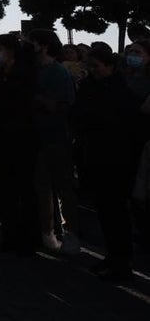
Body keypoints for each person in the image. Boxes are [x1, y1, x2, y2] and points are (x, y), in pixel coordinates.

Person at [72, 43, 143, 279]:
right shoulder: (89, 87)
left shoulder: (121, 90)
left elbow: (125, 123)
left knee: (117, 213)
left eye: (97, 66)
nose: (93, 70)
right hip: (95, 154)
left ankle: (122, 261)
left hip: (118, 157)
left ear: (110, 66)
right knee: (105, 211)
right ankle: (112, 256)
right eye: (90, 66)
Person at [0, 33, 40, 256]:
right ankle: (9, 235)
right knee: (5, 189)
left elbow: (23, 104)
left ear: (11, 51)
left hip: (22, 138)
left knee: (24, 187)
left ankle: (28, 238)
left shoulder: (27, 74)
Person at [28, 28, 80, 255]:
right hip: (36, 137)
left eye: (31, 42)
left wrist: (35, 97)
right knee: (41, 188)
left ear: (43, 45)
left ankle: (71, 234)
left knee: (63, 187)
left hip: (56, 137)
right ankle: (46, 232)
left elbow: (63, 106)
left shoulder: (58, 72)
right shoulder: (32, 70)